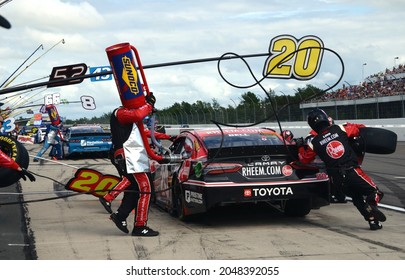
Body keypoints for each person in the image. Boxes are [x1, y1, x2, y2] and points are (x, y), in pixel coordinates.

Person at [297, 108, 386, 230]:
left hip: (337, 180)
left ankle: (373, 222)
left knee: (357, 197)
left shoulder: (314, 142)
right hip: (352, 171)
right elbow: (357, 129)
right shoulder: (339, 129)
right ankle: (371, 206)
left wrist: (300, 147)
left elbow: (304, 159)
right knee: (375, 192)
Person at [106, 93, 161, 237]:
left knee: (135, 190)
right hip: (130, 157)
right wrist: (148, 106)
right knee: (146, 190)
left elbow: (145, 131)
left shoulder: (127, 116)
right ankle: (140, 226)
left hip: (133, 157)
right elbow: (137, 115)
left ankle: (121, 215)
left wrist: (168, 137)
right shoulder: (121, 112)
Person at [98, 123, 172, 214]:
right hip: (124, 155)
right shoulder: (136, 126)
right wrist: (168, 137)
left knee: (130, 180)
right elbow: (150, 134)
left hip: (119, 153)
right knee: (129, 179)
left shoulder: (126, 126)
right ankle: (108, 198)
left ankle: (115, 200)